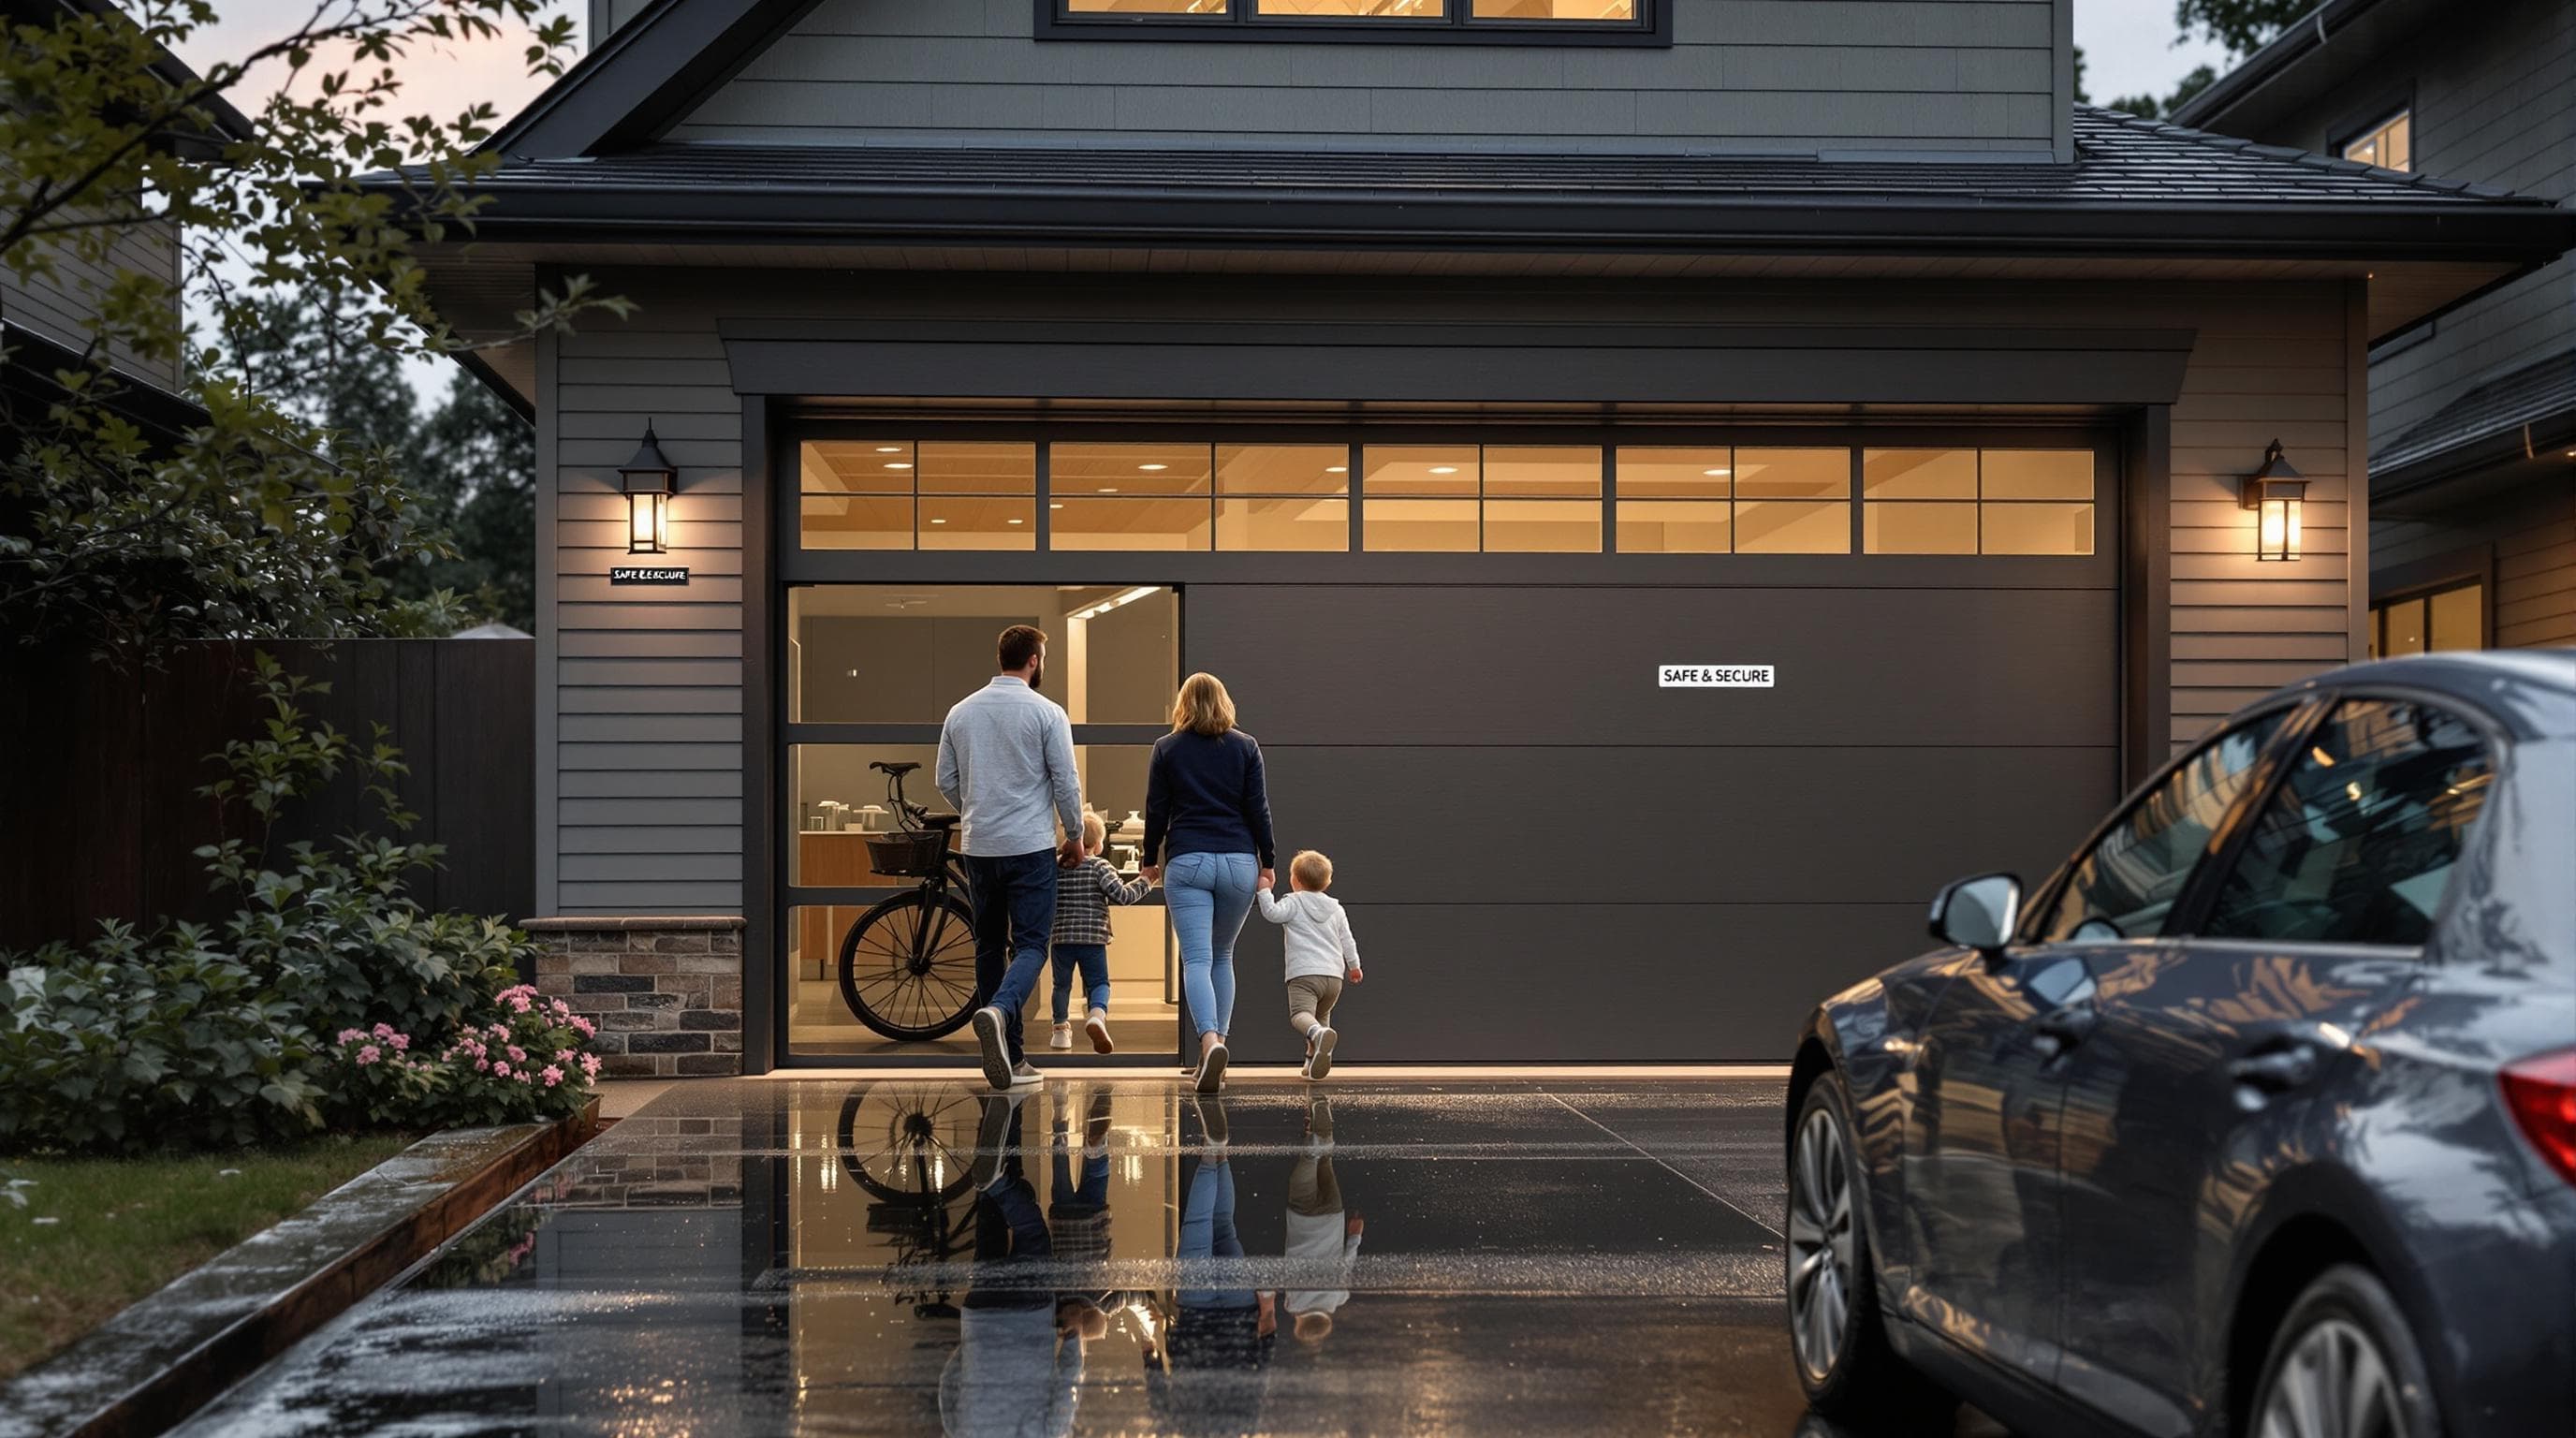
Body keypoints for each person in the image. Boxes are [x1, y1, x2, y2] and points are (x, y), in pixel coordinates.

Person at [939, 624, 1085, 1093]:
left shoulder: (960, 712)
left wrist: (978, 809)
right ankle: (1000, 1012)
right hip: (1029, 846)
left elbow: (946, 779)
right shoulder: (1047, 712)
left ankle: (1013, 1058)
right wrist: (1076, 835)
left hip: (979, 845)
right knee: (1030, 946)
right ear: (1035, 660)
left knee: (987, 944)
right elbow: (1065, 780)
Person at [1140, 672, 1274, 1095]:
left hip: (1188, 859)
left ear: (1183, 705)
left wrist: (1148, 860)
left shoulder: (1167, 748)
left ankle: (1209, 1042)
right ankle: (1218, 1049)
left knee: (1196, 959)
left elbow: (1156, 809)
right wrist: (1267, 862)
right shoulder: (1245, 746)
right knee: (1223, 955)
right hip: (1238, 861)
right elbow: (1259, 809)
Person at [944, 1094, 1100, 1437]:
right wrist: (972, 1350)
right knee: (990, 1224)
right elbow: (948, 1389)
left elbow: (1064, 1398)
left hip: (1028, 1316)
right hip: (980, 1319)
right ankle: (999, 1121)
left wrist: (1073, 1337)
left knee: (1033, 1235)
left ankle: (996, 1180)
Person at [1049, 810, 1153, 1054]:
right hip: (1093, 938)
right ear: (1097, 845)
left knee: (1061, 985)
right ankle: (1096, 1015)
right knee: (1098, 983)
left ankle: (1060, 1032)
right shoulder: (1100, 867)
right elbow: (1123, 896)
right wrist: (1145, 882)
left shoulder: (1056, 865)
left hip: (1061, 938)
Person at [1253, 848, 1363, 1080]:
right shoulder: (1336, 908)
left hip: (1304, 974)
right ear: (1328, 881)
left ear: (1295, 880)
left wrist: (1263, 891)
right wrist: (1354, 966)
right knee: (1321, 1017)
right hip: (1334, 977)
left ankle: (1318, 1035)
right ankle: (1313, 1062)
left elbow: (1272, 913)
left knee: (1301, 1016)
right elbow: (1347, 940)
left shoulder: (1293, 902)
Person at [1281, 1096, 1363, 1346]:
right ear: (1300, 1321)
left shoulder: (1339, 1298)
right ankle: (1313, 1138)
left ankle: (1321, 1118)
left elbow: (1347, 1262)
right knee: (1307, 1166)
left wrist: (1355, 1236)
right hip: (1302, 1217)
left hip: (1332, 1217)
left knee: (1326, 1161)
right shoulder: (1293, 1304)